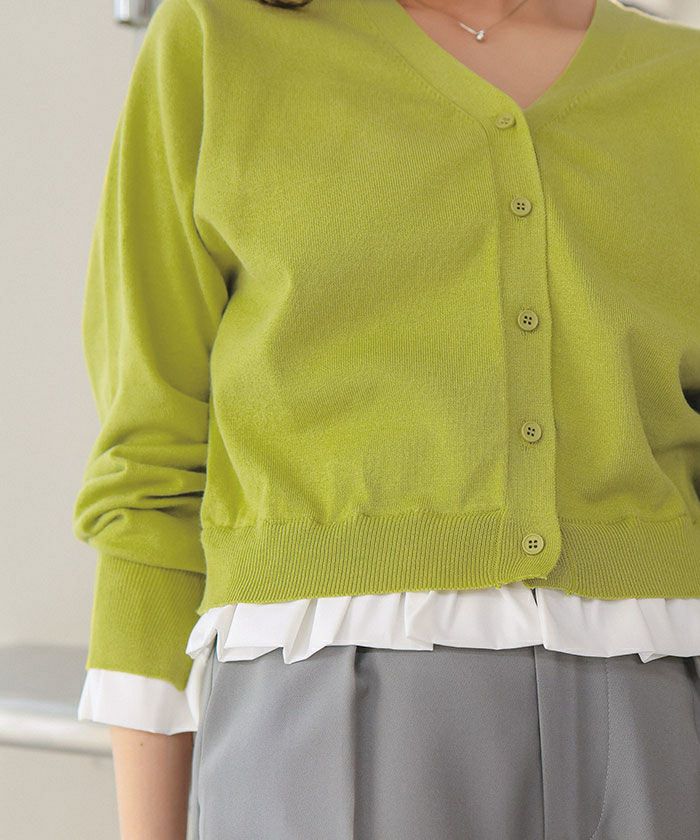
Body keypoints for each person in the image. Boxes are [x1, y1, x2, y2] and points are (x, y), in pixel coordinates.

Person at [72, 0, 700, 837]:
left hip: (662, 709)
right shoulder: (222, 40)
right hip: (326, 698)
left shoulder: (681, 79)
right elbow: (151, 461)